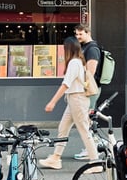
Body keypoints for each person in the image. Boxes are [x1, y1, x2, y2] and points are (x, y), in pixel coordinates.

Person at [39, 36, 100, 171]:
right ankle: (55, 158)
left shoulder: (74, 63)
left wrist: (52, 102)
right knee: (63, 128)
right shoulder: (79, 61)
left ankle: (96, 163)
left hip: (77, 99)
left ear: (68, 49)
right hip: (74, 100)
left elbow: (66, 84)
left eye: (64, 48)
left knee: (84, 131)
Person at [73, 24, 101, 160]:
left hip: (89, 89)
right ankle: (93, 146)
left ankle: (91, 149)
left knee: (86, 118)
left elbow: (91, 71)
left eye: (80, 34)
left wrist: (83, 87)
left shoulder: (92, 49)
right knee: (85, 118)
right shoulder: (84, 47)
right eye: (76, 34)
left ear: (87, 32)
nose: (78, 37)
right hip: (85, 88)